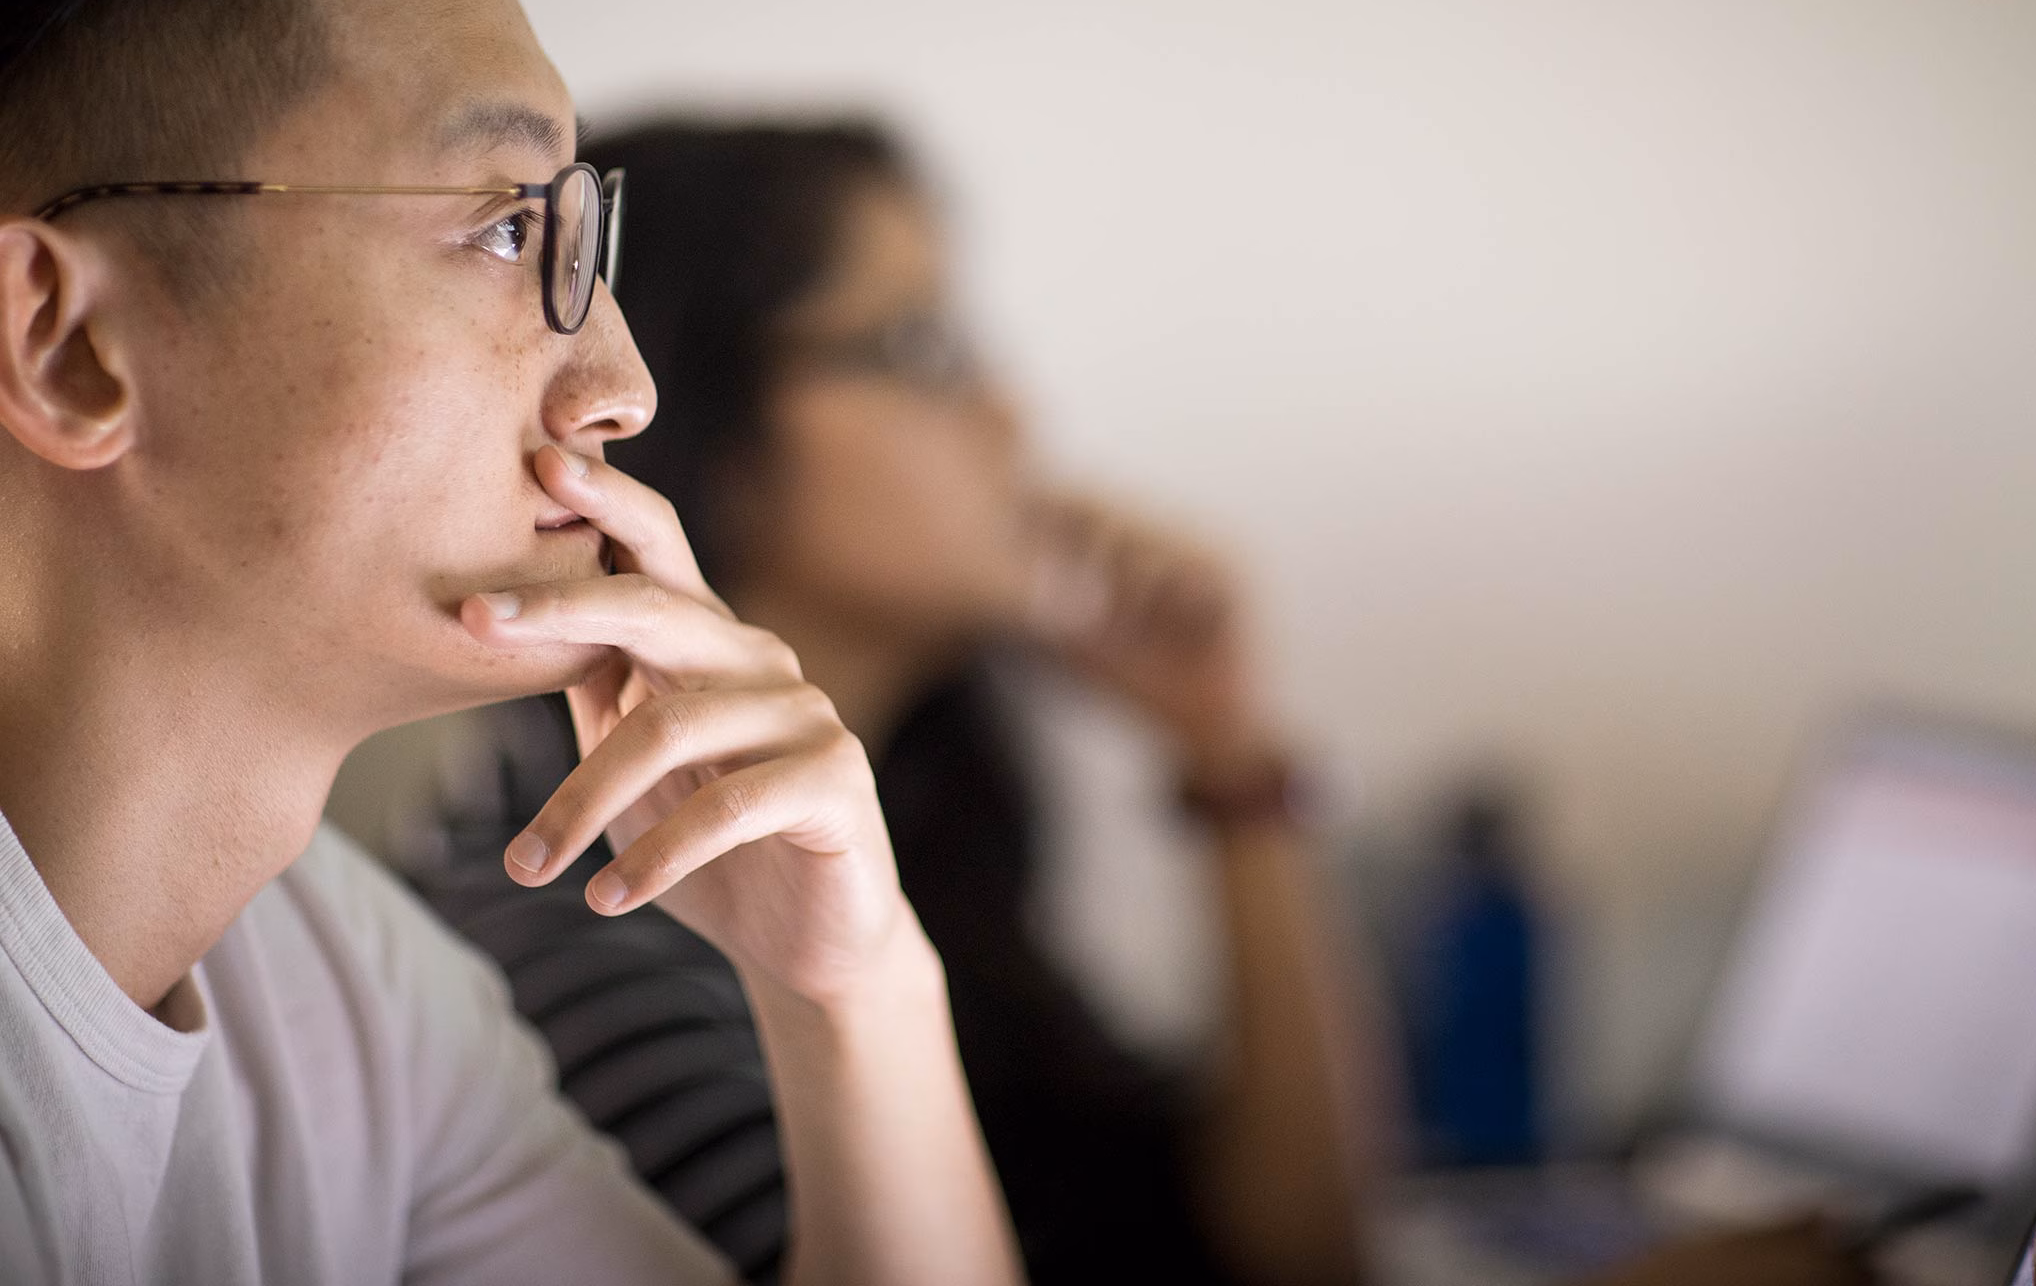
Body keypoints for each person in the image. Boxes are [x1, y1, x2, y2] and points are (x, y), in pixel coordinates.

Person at [0, 0, 1018, 1283]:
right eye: (496, 230)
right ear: (68, 350)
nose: (622, 385)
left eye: (578, 238)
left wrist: (853, 992)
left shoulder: (349, 991)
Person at [414, 121, 1391, 1286]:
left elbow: (1302, 1247)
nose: (1010, 416)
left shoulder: (924, 824)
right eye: (921, 345)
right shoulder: (596, 903)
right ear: (709, 426)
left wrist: (1228, 748)